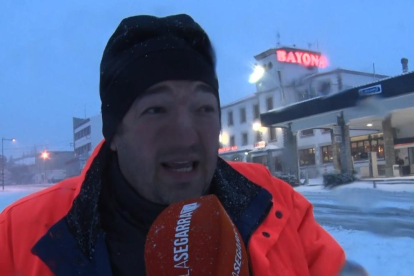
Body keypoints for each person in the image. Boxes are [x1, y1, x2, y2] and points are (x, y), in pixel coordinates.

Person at [0, 14, 367, 276]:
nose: (185, 135)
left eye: (204, 108)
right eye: (155, 110)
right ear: (114, 133)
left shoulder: (275, 203)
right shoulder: (18, 236)